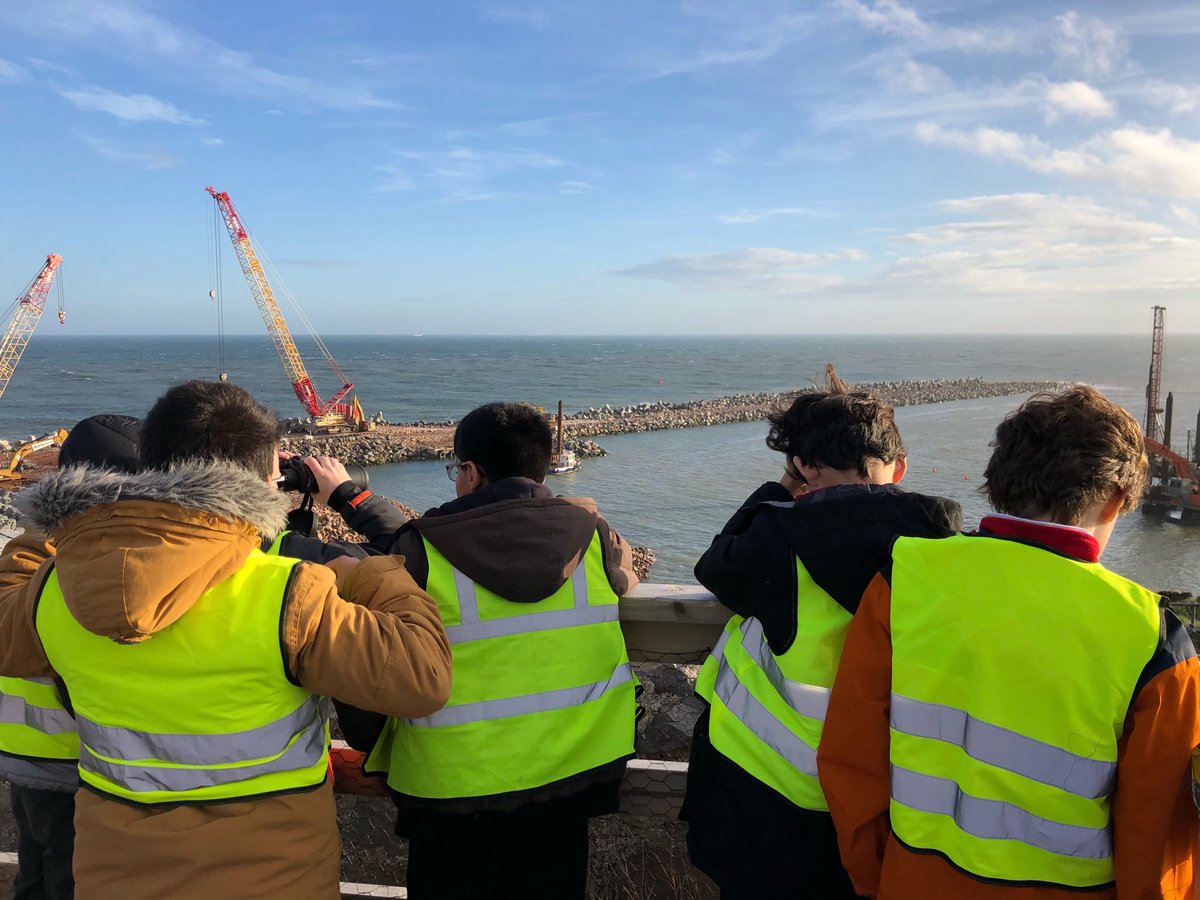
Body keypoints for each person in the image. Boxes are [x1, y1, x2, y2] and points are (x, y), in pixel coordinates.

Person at [0, 380, 453, 899]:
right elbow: (423, 679)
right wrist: (366, 575)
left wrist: (75, 523)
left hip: (117, 878)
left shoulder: (54, 592)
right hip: (275, 878)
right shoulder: (289, 591)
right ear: (264, 480)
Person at [818, 385, 1200, 899]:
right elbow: (1153, 840)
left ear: (1001, 483)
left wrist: (877, 878)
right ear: (1113, 502)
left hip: (912, 881)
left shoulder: (906, 575)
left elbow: (851, 760)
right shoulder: (1154, 639)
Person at [319, 401, 640, 900]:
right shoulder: (594, 539)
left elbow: (376, 662)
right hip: (571, 780)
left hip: (450, 795)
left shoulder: (419, 552)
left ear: (470, 471)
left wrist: (347, 500)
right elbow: (616, 567)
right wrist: (354, 499)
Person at [681, 367, 962, 899]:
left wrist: (781, 487)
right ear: (899, 467)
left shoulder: (779, 539)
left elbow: (714, 566)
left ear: (803, 467)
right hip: (888, 794)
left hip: (770, 800)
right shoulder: (947, 548)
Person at [0, 413, 141, 900]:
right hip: (86, 762)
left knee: (37, 871)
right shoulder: (99, 566)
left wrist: (51, 525)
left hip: (29, 759)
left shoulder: (27, 557)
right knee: (71, 874)